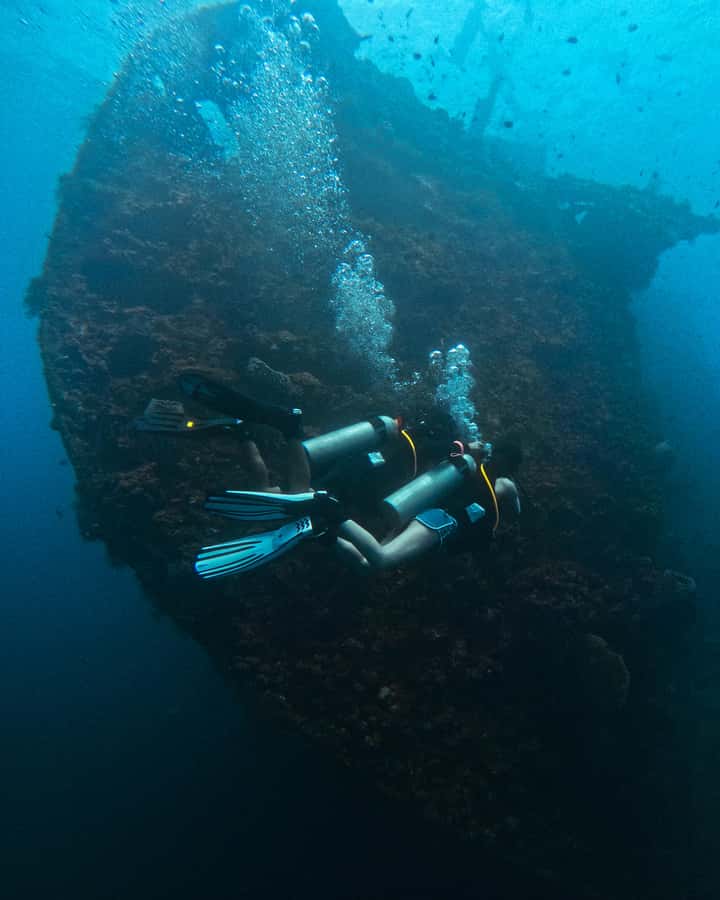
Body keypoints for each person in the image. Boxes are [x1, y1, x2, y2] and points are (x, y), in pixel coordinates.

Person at [135, 370, 521, 578]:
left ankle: (254, 433)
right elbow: (502, 494)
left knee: (277, 492)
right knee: (376, 560)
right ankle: (324, 515)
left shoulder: (444, 447)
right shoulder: (484, 481)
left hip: (371, 455)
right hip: (395, 496)